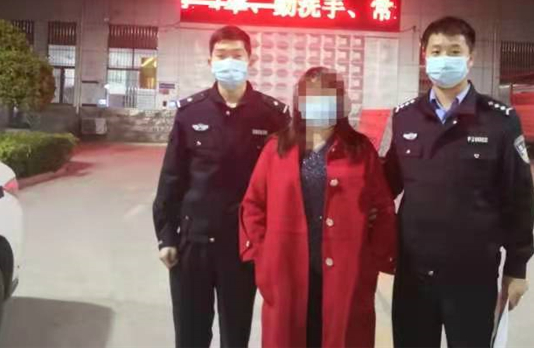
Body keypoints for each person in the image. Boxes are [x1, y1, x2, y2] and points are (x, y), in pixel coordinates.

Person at [385, 16, 534, 348]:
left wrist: (517, 266)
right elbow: (383, 187)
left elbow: (519, 197)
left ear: (470, 58)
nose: (445, 59)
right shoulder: (404, 117)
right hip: (414, 272)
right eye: (437, 50)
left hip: (473, 274)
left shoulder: (499, 120)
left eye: (454, 51)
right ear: (424, 55)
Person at [239, 67, 397, 348]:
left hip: (347, 273)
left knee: (343, 335)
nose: (319, 104)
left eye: (328, 96)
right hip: (287, 270)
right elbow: (253, 205)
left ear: (340, 103)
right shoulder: (277, 147)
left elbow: (383, 208)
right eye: (311, 97)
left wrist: (371, 260)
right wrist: (263, 256)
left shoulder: (360, 149)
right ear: (299, 103)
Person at [153, 25, 289, 348]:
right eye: (221, 55)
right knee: (190, 334)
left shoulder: (272, 116)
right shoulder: (191, 113)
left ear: (250, 59)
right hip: (193, 244)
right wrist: (166, 237)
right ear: (210, 61)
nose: (229, 62)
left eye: (237, 55)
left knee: (235, 335)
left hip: (242, 247)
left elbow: (283, 185)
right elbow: (171, 179)